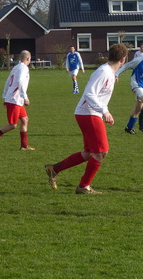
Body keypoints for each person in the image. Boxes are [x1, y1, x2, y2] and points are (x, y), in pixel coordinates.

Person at [44, 43, 128, 194]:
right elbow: (89, 94)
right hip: (88, 113)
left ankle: (54, 169)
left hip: (88, 113)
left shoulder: (108, 72)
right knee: (101, 152)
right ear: (123, 59)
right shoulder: (104, 72)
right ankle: (83, 187)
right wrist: (105, 111)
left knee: (89, 152)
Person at [0, 50, 35, 152]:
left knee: (25, 120)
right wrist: (24, 97)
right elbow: (20, 81)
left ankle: (24, 146)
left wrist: (5, 96)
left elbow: (8, 82)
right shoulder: (24, 68)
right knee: (13, 125)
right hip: (15, 99)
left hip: (14, 99)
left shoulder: (16, 67)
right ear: (28, 59)